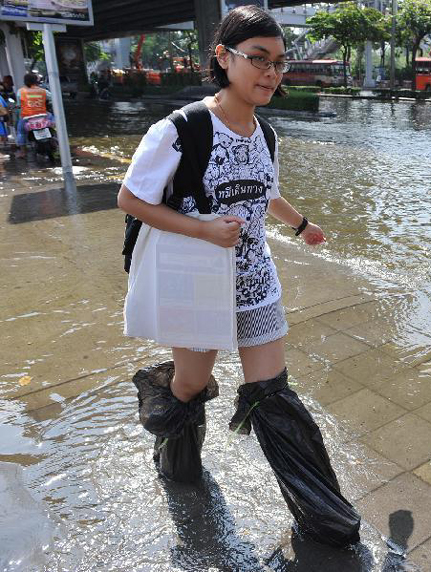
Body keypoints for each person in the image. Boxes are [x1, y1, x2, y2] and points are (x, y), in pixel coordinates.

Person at [117, 5, 361, 548]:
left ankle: (323, 516)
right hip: (198, 284)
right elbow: (129, 199)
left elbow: (265, 192)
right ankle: (175, 451)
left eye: (278, 62)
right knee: (192, 384)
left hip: (256, 281)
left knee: (271, 393)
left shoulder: (265, 133)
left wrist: (301, 225)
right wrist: (203, 231)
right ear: (223, 58)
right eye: (258, 59)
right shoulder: (181, 129)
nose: (271, 73)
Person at [15, 72, 53, 158]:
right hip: (43, 115)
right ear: (36, 81)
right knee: (54, 121)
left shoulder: (20, 91)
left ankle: (23, 152)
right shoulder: (43, 91)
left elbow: (19, 104)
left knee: (21, 132)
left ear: (25, 81)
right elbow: (52, 98)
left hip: (27, 117)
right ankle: (57, 140)